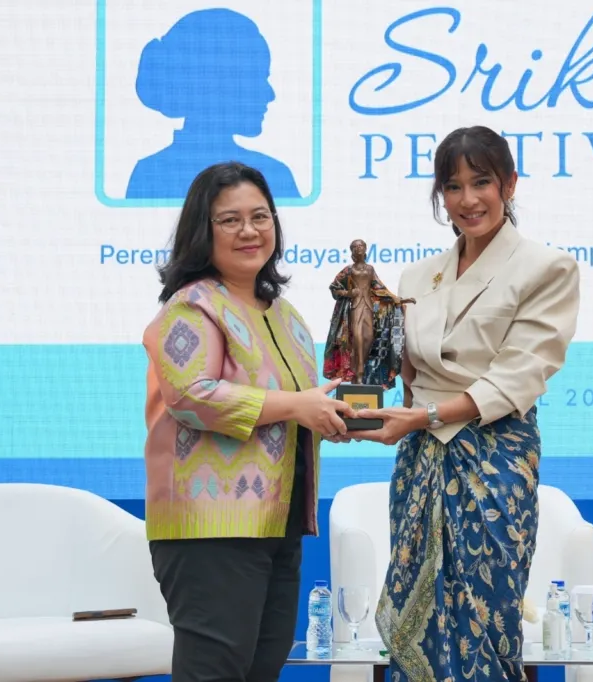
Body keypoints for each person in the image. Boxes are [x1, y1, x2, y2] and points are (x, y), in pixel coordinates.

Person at [350, 126, 581, 681]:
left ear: (509, 184)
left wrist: (425, 416)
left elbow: (518, 375)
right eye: (452, 186)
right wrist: (364, 391)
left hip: (495, 459)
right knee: (416, 614)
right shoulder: (416, 275)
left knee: (486, 614)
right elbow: (407, 374)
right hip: (421, 460)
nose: (467, 199)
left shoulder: (547, 267)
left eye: (481, 182)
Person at [141, 161, 353, 682]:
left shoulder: (284, 314)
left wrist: (334, 415)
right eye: (230, 220)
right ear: (202, 229)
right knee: (213, 673)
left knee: (262, 669)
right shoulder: (191, 307)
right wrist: (297, 406)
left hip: (277, 523)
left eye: (260, 216)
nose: (249, 231)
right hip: (209, 526)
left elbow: (294, 406)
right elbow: (190, 395)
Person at [323, 238, 414, 388]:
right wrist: (348, 293)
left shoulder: (370, 269)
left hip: (369, 308)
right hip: (355, 308)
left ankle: (359, 370)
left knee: (369, 338)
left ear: (365, 249)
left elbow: (379, 288)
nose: (359, 248)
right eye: (355, 247)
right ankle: (358, 375)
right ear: (352, 251)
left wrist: (398, 299)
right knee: (357, 339)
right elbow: (334, 288)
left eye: (361, 246)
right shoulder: (348, 270)